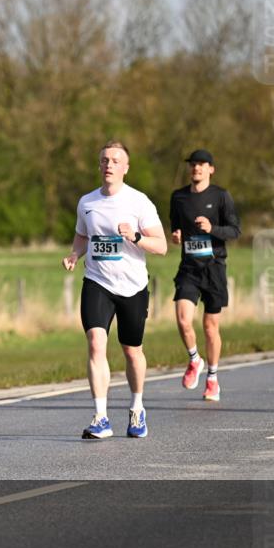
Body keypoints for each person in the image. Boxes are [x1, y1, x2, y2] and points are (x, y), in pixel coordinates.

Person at [62, 140, 167, 440]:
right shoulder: (87, 202)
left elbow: (160, 246)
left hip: (133, 286)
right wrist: (74, 254)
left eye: (115, 160)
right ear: (99, 166)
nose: (108, 164)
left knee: (132, 351)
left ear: (125, 167)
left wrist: (135, 236)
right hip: (97, 282)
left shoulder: (139, 202)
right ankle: (100, 417)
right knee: (96, 343)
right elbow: (83, 236)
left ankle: (136, 408)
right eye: (104, 160)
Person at [170, 149, 241, 402]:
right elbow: (175, 228)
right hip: (189, 268)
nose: (196, 168)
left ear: (211, 168)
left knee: (210, 327)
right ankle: (194, 359)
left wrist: (213, 229)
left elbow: (235, 231)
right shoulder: (178, 197)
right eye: (193, 165)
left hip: (214, 268)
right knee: (182, 319)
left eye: (201, 165)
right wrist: (176, 236)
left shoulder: (221, 196)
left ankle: (212, 378)